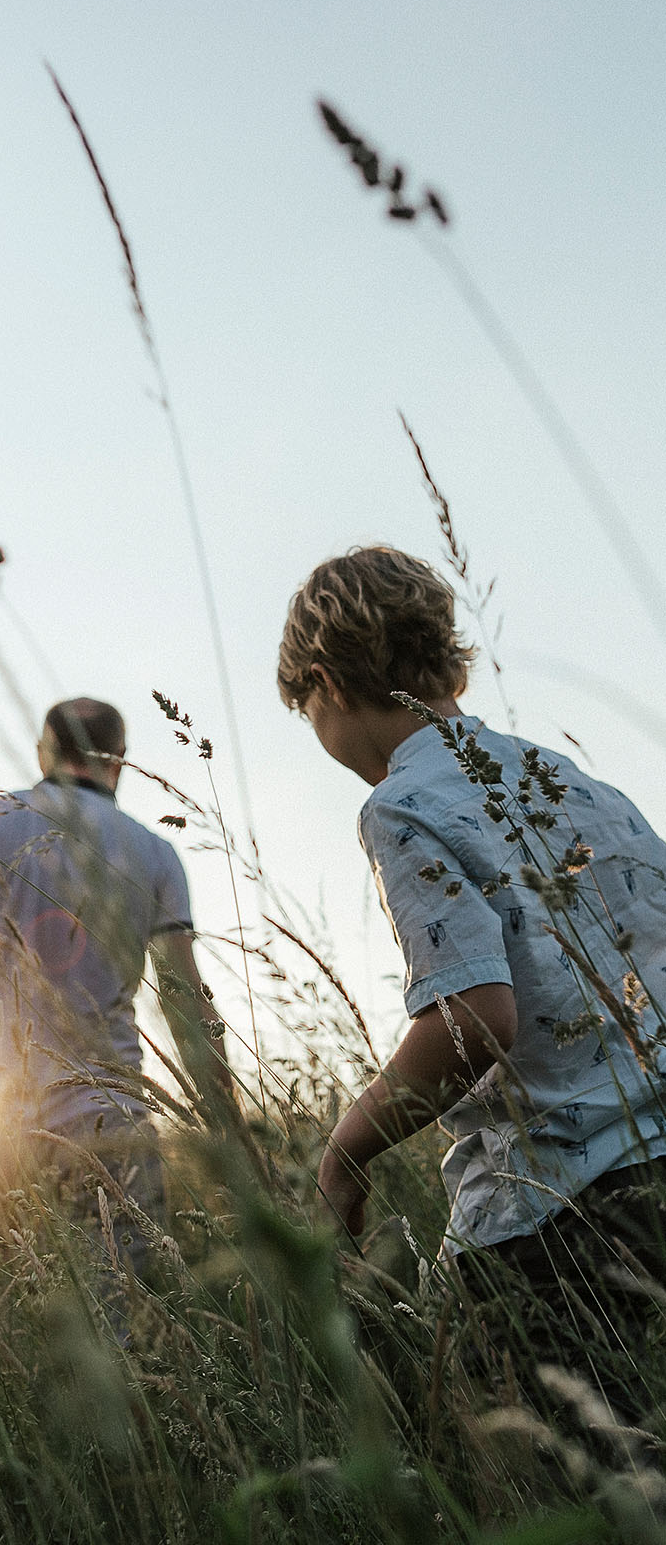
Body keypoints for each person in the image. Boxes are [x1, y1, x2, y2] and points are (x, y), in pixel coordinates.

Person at [278, 545, 666, 1413]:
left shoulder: (400, 805)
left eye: (306, 711)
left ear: (326, 686)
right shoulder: (575, 779)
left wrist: (347, 1150)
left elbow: (478, 1018)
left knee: (559, 1486)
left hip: (561, 1216)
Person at [0, 697, 232, 1256]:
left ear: (42, 752)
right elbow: (184, 1002)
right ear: (119, 760)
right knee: (122, 1326)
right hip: (109, 1124)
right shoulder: (157, 854)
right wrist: (228, 1121)